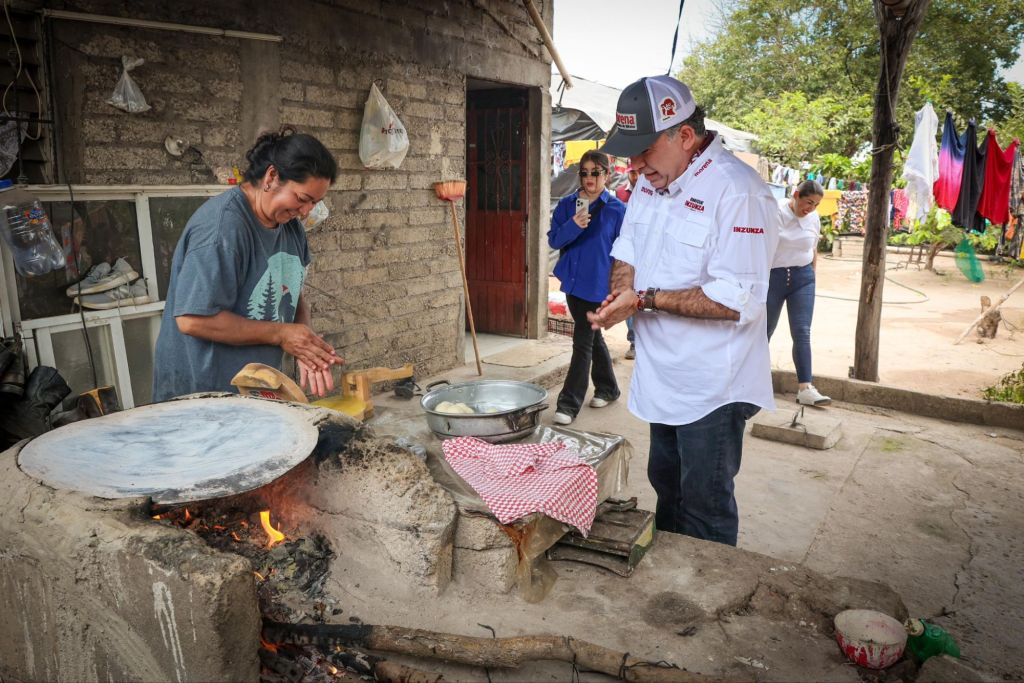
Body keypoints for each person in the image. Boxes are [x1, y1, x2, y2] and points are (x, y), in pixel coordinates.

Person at [589, 75, 779, 546]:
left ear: (686, 136)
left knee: (704, 506)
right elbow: (628, 248)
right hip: (663, 377)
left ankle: (707, 591)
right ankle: (669, 581)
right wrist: (621, 294)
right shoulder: (651, 183)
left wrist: (645, 300)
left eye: (644, 150)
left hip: (712, 386)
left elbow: (735, 299)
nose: (634, 164)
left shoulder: (738, 192)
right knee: (667, 490)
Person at [153, 128, 343, 402]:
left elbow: (294, 293)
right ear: (271, 177)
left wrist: (305, 344)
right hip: (203, 396)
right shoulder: (222, 229)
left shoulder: (291, 227)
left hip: (255, 392)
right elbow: (191, 320)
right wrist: (282, 334)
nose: (306, 211)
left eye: (315, 202)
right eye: (302, 199)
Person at [547, 150, 627, 425]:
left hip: (598, 286)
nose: (589, 178)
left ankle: (568, 404)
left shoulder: (617, 210)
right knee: (592, 337)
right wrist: (574, 225)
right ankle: (608, 388)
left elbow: (624, 253)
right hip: (572, 282)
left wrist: (621, 288)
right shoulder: (567, 205)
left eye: (596, 172)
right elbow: (554, 241)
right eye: (584, 172)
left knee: (582, 341)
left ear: (607, 174)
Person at [768, 180, 831, 406]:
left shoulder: (814, 218)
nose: (811, 209)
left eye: (816, 205)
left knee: (802, 331)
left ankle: (805, 388)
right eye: (808, 202)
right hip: (773, 277)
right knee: (764, 331)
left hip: (803, 279)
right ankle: (750, 382)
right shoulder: (775, 212)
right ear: (796, 195)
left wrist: (812, 275)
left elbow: (813, 248)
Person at [615, 164, 641, 359]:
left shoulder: (654, 192)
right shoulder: (620, 194)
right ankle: (633, 341)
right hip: (627, 254)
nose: (636, 175)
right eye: (632, 172)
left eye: (638, 172)